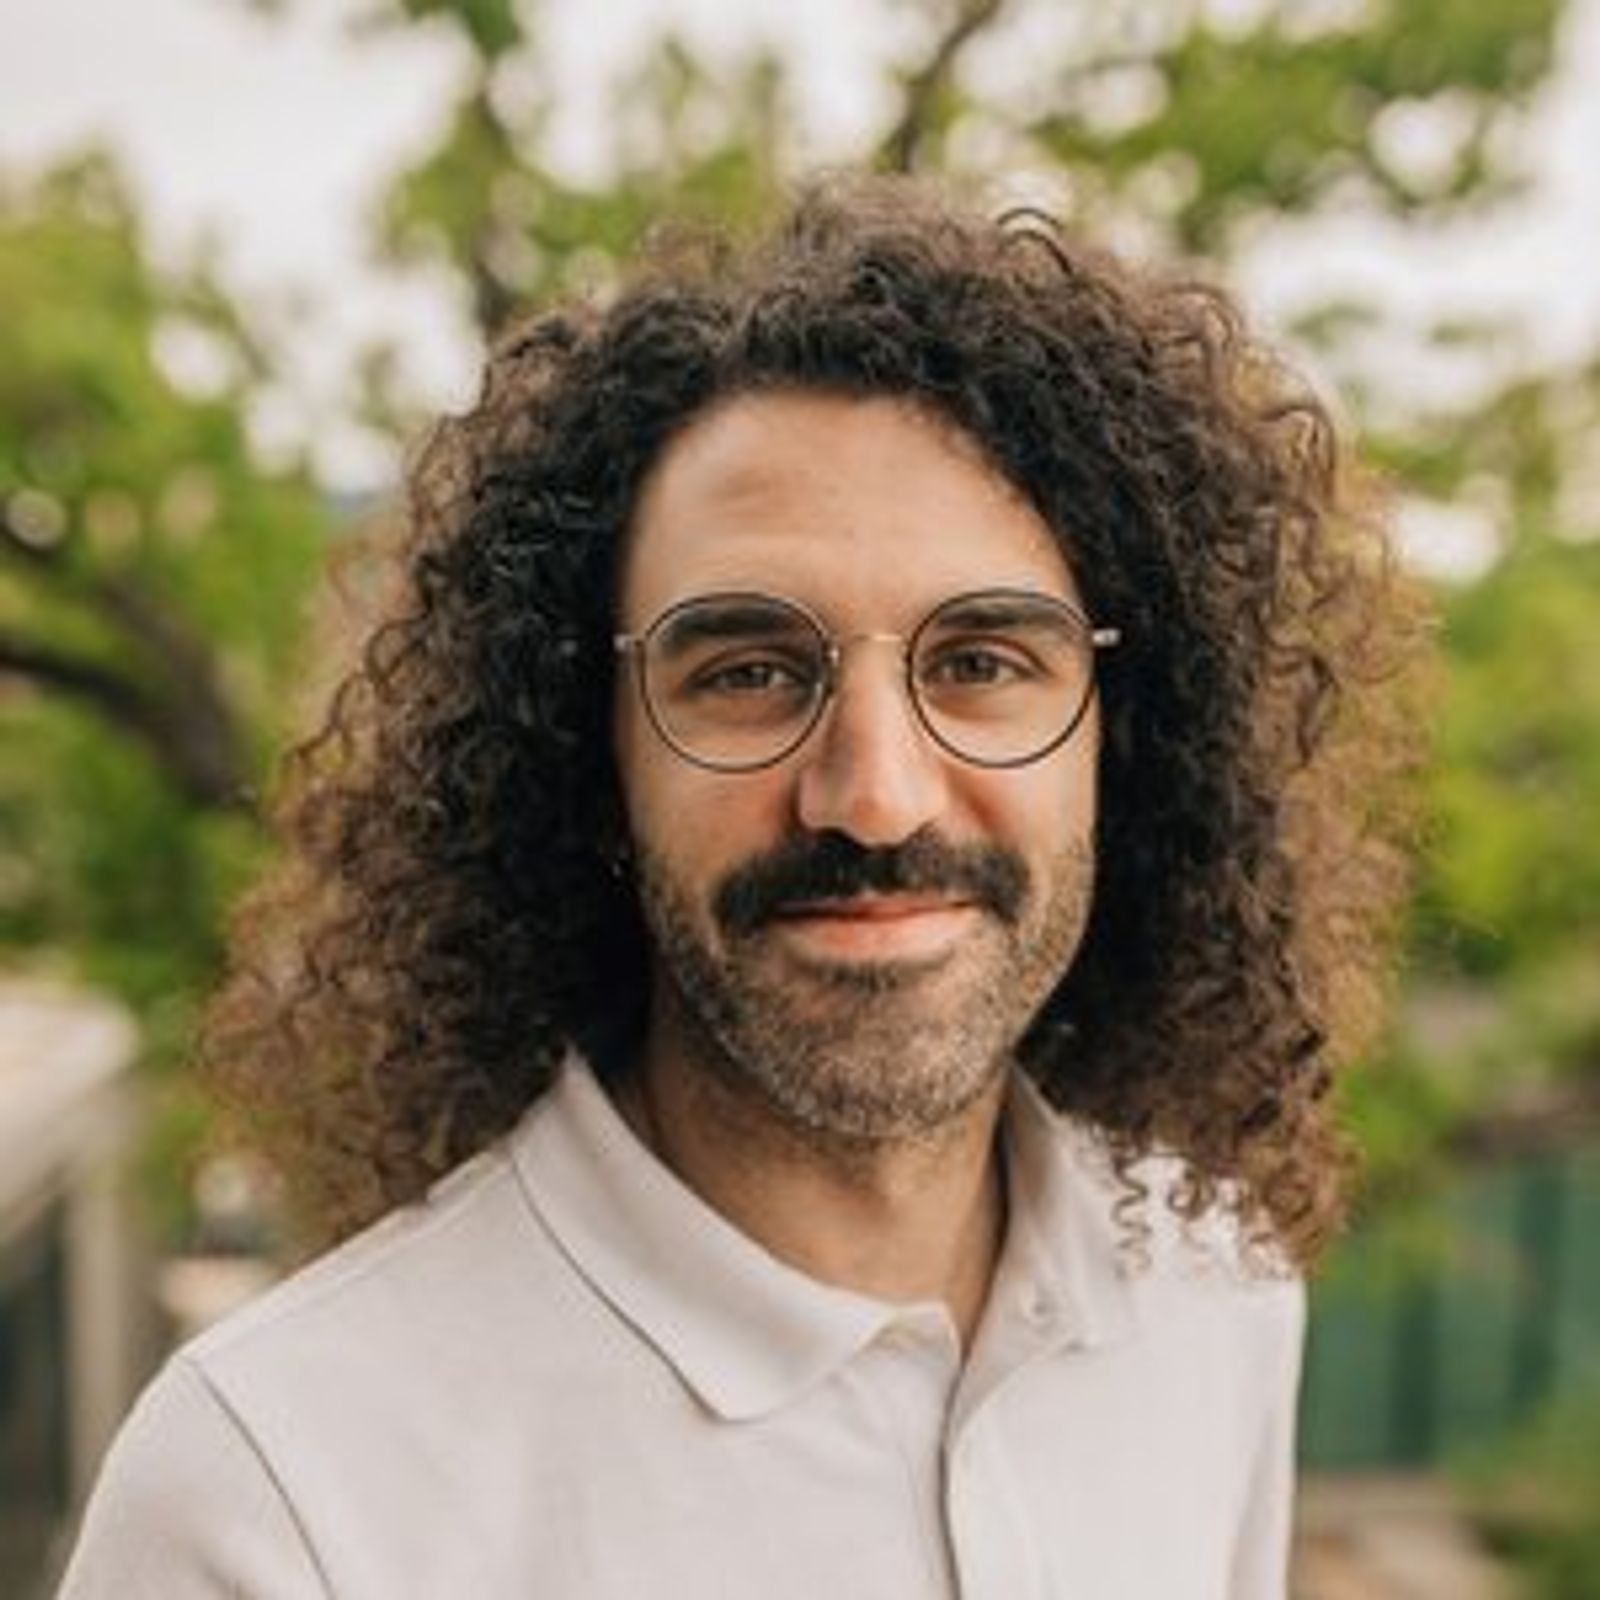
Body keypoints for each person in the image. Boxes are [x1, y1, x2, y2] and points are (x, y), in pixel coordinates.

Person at [59, 174, 1420, 1598]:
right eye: (750, 672)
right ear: (588, 754)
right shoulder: (277, 1491)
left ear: (1126, 737)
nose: (878, 795)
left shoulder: (1218, 1299)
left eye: (982, 661)